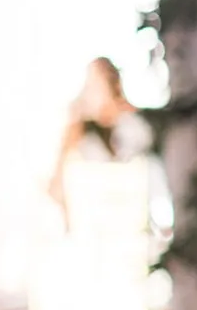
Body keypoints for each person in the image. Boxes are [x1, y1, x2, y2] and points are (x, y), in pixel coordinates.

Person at [47, 57, 152, 216]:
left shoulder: (134, 127)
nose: (86, 94)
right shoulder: (79, 134)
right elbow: (56, 191)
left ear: (112, 86)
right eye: (86, 86)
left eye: (94, 85)